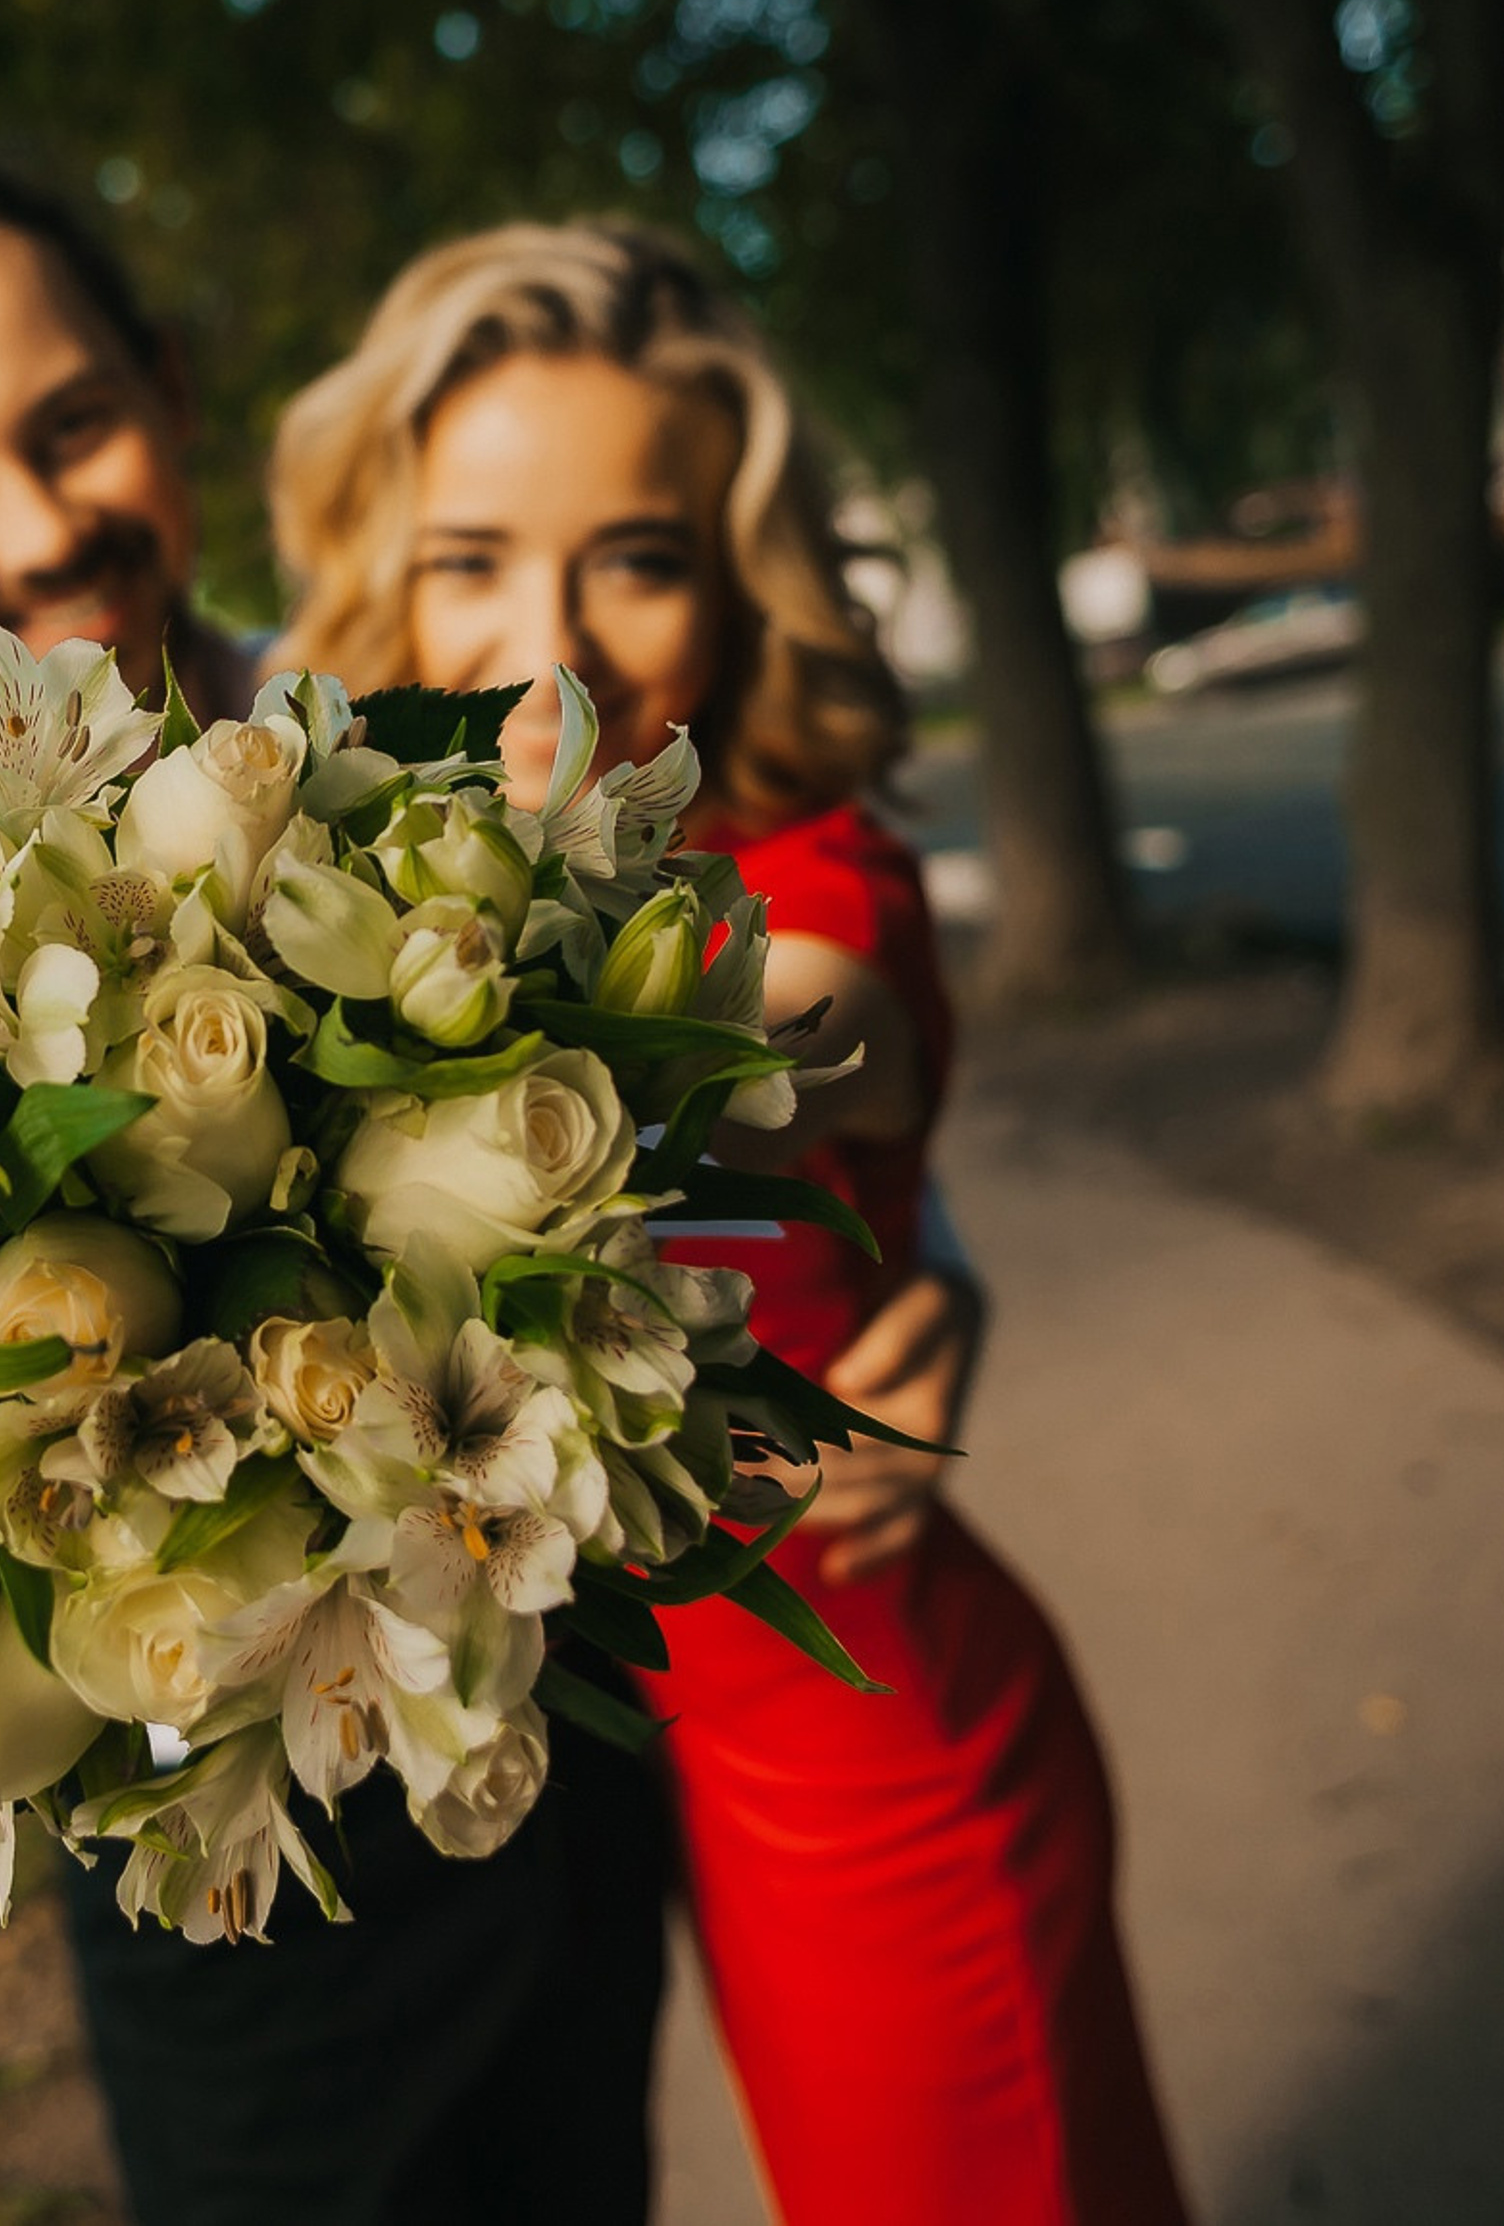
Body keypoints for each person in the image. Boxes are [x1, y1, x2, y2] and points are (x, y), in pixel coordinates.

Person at [0, 158, 980, 2220]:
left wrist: (938, 1271)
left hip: (574, 1772)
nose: (41, 521)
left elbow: (701, 1072)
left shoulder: (410, 743)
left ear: (164, 381)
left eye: (69, 426)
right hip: (236, 1905)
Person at [269, 216, 1192, 2226]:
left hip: (883, 1777)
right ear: (382, 580)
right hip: (688, 1806)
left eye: (637, 552)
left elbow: (811, 1034)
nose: (554, 632)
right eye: (471, 555)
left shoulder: (791, 871)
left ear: (729, 581)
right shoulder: (336, 915)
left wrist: (623, 1002)